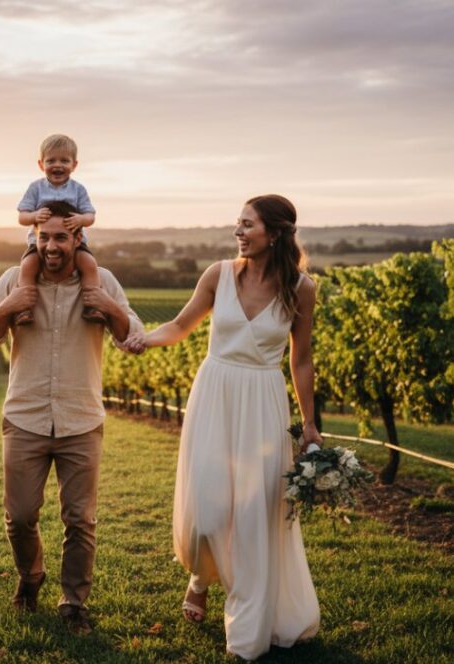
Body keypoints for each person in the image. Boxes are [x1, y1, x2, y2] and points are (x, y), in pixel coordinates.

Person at [124, 194, 321, 660]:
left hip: (263, 403)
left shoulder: (301, 287)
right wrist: (144, 340)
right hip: (214, 395)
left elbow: (302, 358)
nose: (238, 230)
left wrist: (310, 423)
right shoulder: (218, 274)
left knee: (254, 518)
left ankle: (247, 633)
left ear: (273, 234)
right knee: (208, 513)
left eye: (247, 223)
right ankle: (200, 576)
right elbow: (179, 324)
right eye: (238, 222)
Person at [0, 201, 144, 635]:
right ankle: (30, 578)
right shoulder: (13, 279)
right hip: (25, 418)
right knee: (21, 516)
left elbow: (132, 337)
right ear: (34, 238)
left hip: (81, 420)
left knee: (80, 519)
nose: (51, 245)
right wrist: (8, 308)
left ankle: (73, 602)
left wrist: (109, 306)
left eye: (60, 237)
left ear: (76, 239)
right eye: (43, 237)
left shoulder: (101, 281)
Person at [14, 133, 106, 326]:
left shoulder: (78, 189)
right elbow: (22, 217)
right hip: (38, 243)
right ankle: (24, 309)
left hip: (75, 244)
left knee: (88, 264)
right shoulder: (36, 188)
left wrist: (81, 218)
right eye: (51, 160)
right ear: (41, 165)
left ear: (74, 165)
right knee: (28, 266)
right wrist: (34, 216)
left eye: (64, 160)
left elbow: (90, 216)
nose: (58, 165)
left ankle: (92, 307)